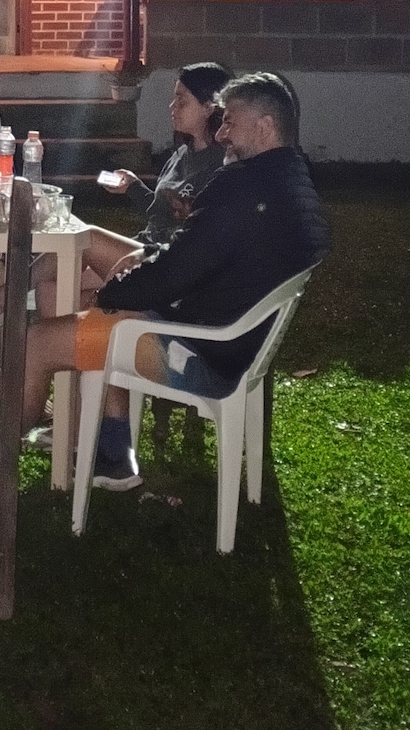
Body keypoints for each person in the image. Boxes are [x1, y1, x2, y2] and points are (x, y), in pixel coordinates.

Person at [22, 72, 329, 492]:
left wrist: (109, 296)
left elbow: (175, 275)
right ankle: (101, 445)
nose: (222, 133)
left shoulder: (241, 186)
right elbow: (191, 261)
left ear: (264, 127)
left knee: (36, 344)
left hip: (195, 352)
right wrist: (129, 282)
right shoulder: (296, 184)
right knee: (97, 284)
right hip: (226, 340)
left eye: (230, 122)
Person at [32, 61, 234, 320]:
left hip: (164, 263)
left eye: (181, 101)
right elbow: (162, 213)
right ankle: (61, 353)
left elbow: (199, 237)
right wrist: (134, 188)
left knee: (86, 238)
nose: (172, 107)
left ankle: (3, 296)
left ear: (209, 107)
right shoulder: (183, 154)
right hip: (143, 245)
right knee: (50, 289)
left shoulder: (220, 165)